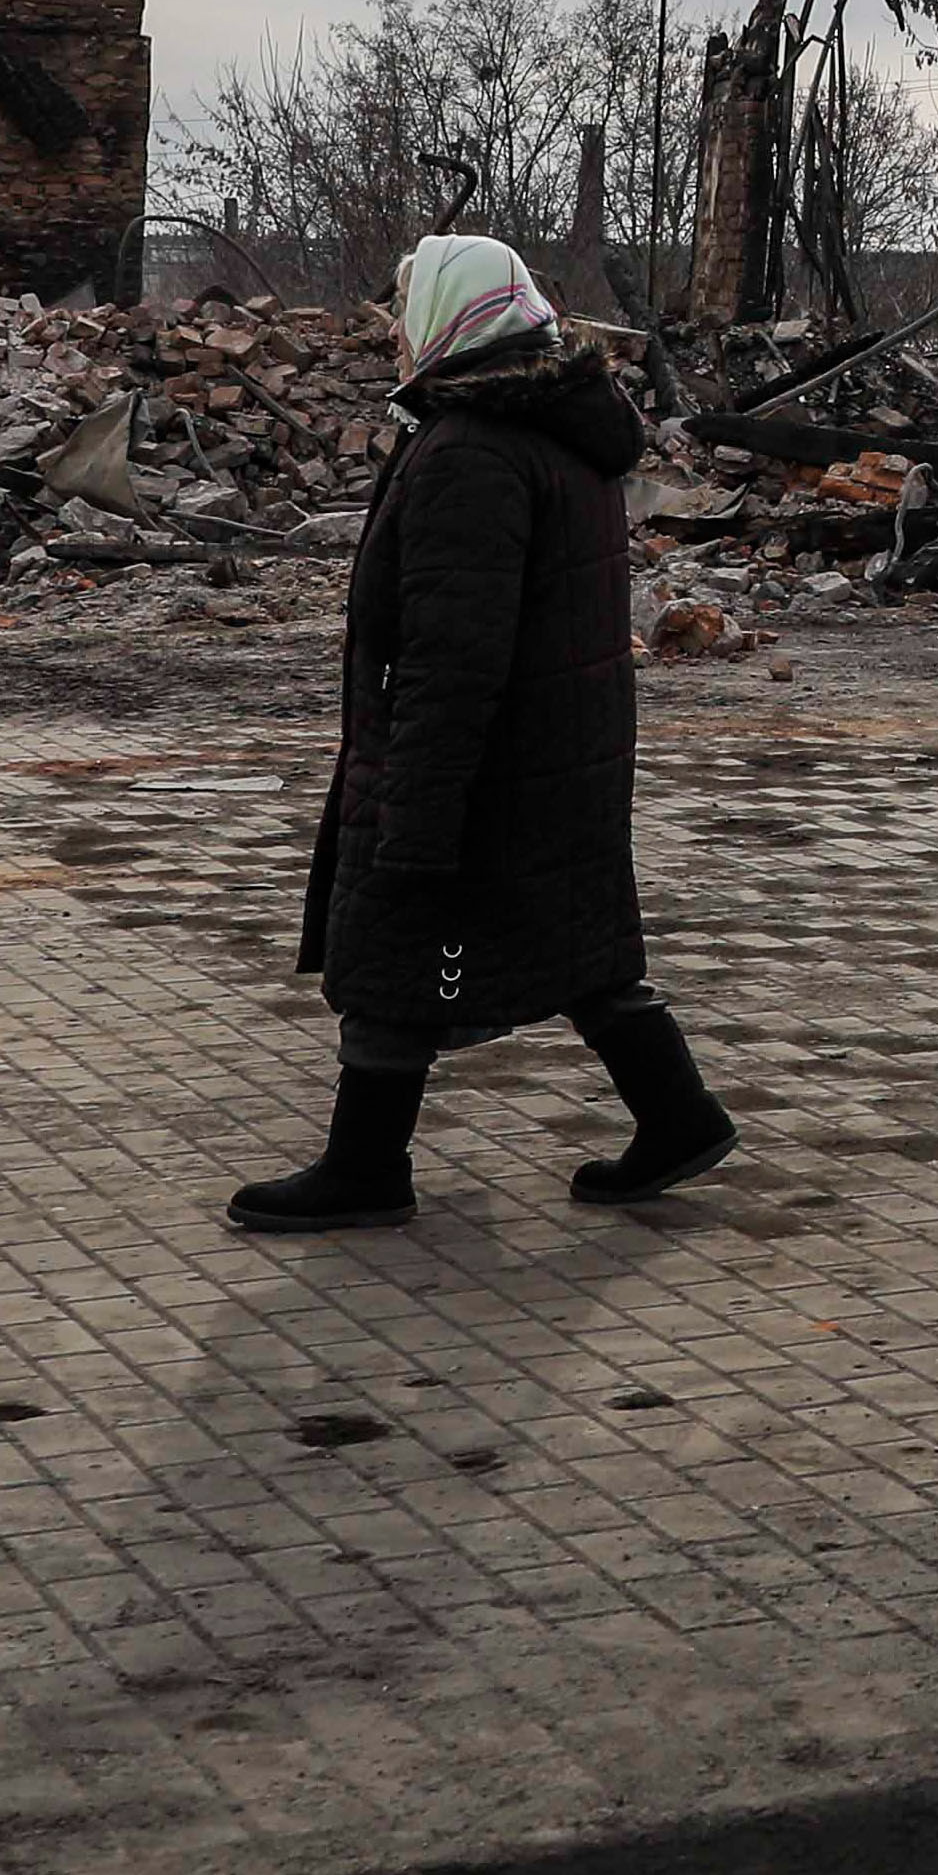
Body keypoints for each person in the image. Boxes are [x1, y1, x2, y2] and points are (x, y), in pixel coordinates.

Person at [231, 230, 740, 1236]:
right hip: (560, 747)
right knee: (579, 944)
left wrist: (415, 806)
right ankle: (679, 1116)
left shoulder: (474, 449)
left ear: (451, 319)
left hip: (487, 757)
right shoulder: (556, 426)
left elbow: (453, 653)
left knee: (394, 943)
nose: (391, 337)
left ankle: (366, 1165)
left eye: (404, 313)